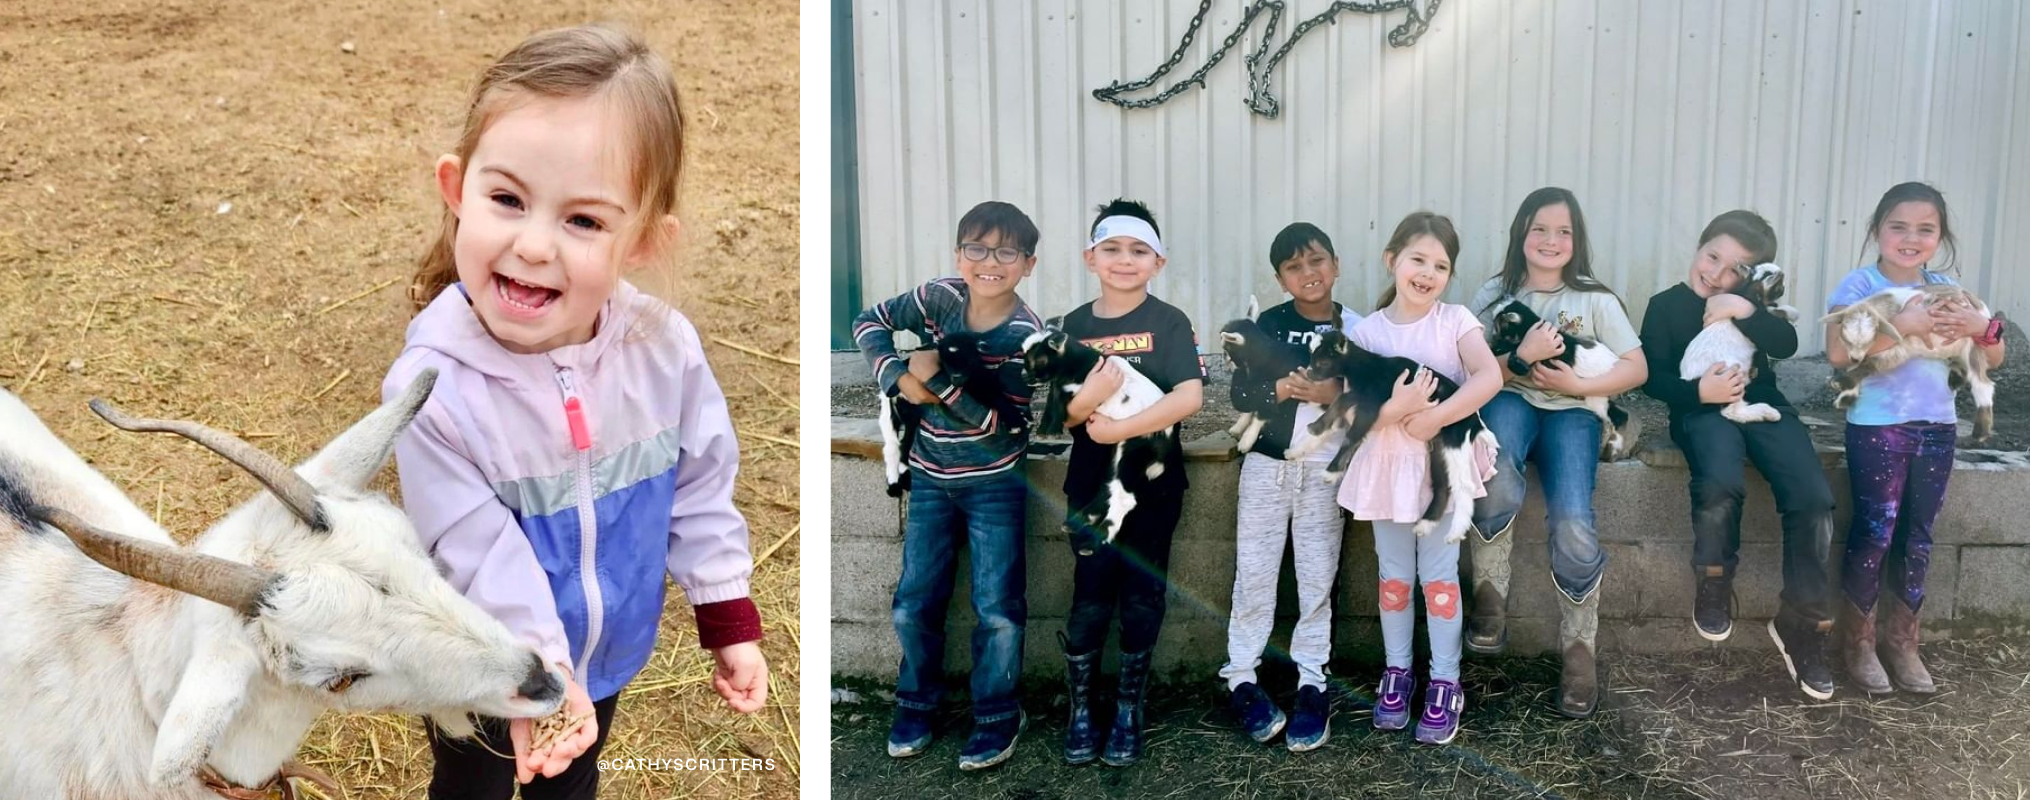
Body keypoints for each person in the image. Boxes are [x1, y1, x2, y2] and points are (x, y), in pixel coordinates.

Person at [383, 24, 767, 798]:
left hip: (606, 651)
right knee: (472, 784)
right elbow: (476, 547)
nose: (532, 244)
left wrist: (725, 608)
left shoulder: (665, 350)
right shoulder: (431, 388)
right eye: (507, 199)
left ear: (644, 241)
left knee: (572, 781)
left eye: (583, 220)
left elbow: (700, 483)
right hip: (482, 653)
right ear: (457, 189)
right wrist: (539, 671)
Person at [853, 200, 1044, 769]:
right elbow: (868, 321)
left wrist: (934, 381)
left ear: (1028, 264)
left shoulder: (1025, 336)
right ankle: (915, 703)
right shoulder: (939, 296)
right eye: (977, 249)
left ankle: (997, 713)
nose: (990, 262)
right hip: (933, 479)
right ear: (958, 254)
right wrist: (896, 376)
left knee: (997, 606)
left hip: (995, 483)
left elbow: (1005, 425)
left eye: (1006, 252)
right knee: (915, 600)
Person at [1638, 209, 1837, 699]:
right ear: (1698, 248)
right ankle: (1713, 578)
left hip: (1764, 405)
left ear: (1751, 278)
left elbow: (1787, 343)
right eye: (1712, 257)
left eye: (1735, 270)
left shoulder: (1749, 305)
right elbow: (1650, 375)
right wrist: (1697, 394)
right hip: (1700, 412)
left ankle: (1802, 624)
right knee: (1721, 478)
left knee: (1813, 497)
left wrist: (1744, 310)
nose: (1717, 275)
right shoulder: (1665, 306)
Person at [1824, 181, 2005, 695]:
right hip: (1879, 427)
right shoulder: (1859, 286)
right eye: (1897, 226)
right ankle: (1858, 643)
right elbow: (1839, 353)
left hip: (1937, 428)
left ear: (1940, 235)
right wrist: (1903, 323)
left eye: (1925, 229)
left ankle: (1903, 642)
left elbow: (1994, 360)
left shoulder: (1948, 286)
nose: (1910, 238)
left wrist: (1981, 327)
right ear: (1877, 231)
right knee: (1875, 533)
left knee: (1919, 536)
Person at [1057, 198, 1205, 767]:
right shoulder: (1074, 326)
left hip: (1154, 484)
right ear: (1091, 257)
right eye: (1112, 249)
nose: (1125, 260)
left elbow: (1187, 397)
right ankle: (1081, 709)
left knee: (1143, 595)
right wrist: (1088, 406)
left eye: (1139, 250)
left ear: (1158, 263)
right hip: (1091, 487)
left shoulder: (1169, 323)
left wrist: (1119, 425)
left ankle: (1127, 708)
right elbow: (1065, 414)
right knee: (1091, 596)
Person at [1220, 222, 1362, 752]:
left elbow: (1372, 396)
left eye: (1317, 261)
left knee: (1317, 578)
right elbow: (1240, 392)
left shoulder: (1357, 326)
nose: (1309, 273)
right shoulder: (1269, 326)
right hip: (1267, 464)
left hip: (1326, 469)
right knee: (1254, 575)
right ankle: (1239, 676)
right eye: (1294, 266)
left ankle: (1312, 681)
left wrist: (1333, 393)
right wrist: (1280, 388)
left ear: (1337, 264)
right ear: (1281, 278)